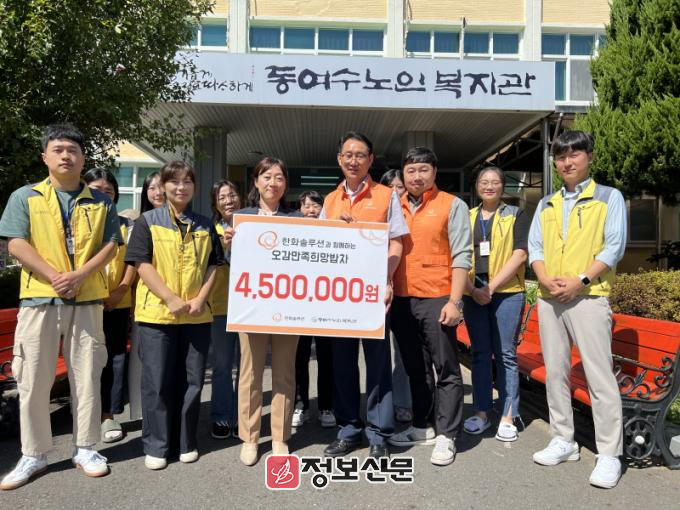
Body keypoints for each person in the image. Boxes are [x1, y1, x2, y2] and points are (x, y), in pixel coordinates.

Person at [0, 124, 122, 489]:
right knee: (32, 376)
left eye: (73, 150)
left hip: (86, 298)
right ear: (45, 157)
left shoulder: (101, 201)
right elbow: (15, 243)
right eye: (58, 150)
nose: (66, 155)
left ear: (83, 158)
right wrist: (55, 276)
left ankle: (85, 448)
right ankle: (33, 453)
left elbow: (110, 245)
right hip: (40, 297)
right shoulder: (25, 196)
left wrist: (80, 275)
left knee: (87, 374)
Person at [528, 130, 627, 489]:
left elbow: (614, 247)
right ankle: (563, 439)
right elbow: (535, 247)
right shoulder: (547, 203)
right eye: (560, 156)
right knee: (556, 372)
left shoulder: (608, 197)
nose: (566, 162)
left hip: (589, 296)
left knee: (599, 377)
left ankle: (609, 453)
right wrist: (544, 278)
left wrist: (580, 280)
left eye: (574, 155)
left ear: (589, 157)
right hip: (550, 297)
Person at [125, 161, 223, 470]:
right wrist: (170, 298)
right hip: (157, 315)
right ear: (164, 186)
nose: (181, 187)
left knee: (192, 381)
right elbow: (141, 263)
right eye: (174, 182)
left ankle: (186, 442)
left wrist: (200, 298)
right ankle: (157, 444)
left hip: (196, 315)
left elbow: (214, 264)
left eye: (187, 182)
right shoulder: (147, 222)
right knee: (157, 381)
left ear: (194, 187)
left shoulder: (205, 225)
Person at [321, 132, 408, 459]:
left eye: (360, 155)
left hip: (373, 294)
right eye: (348, 154)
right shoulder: (330, 201)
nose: (353, 160)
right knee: (342, 364)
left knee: (378, 364)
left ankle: (379, 433)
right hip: (339, 296)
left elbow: (396, 242)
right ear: (339, 159)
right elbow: (319, 243)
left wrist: (387, 279)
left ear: (370, 160)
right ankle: (348, 429)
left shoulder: (387, 196)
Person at [388, 147, 471, 466]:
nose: (417, 176)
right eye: (410, 171)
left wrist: (455, 301)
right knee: (415, 368)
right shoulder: (393, 205)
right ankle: (422, 426)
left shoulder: (452, 204)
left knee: (446, 368)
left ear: (434, 172)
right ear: (403, 174)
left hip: (438, 298)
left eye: (423, 169)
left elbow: (462, 255)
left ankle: (447, 434)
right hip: (402, 299)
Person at [234, 157, 301, 466]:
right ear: (256, 182)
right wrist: (229, 245)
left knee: (284, 373)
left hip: (288, 308)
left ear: (285, 184)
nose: (273, 183)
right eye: (267, 176)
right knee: (250, 374)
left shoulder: (297, 219)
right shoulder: (242, 218)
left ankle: (279, 437)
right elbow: (229, 263)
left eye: (279, 177)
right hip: (251, 307)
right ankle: (249, 437)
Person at [462, 166, 529, 442]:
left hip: (507, 292)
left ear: (503, 187)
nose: (489, 186)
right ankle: (481, 412)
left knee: (505, 353)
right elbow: (456, 256)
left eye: (495, 182)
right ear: (477, 186)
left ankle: (508, 416)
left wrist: (490, 288)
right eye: (484, 181)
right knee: (479, 353)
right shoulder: (466, 216)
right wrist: (472, 289)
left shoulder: (516, 214)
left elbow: (520, 254)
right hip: (472, 293)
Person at [83, 168, 137, 444]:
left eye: (109, 191)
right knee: (85, 359)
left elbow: (133, 261)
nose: (103, 194)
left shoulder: (127, 225)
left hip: (117, 301)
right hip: (83, 302)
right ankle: (85, 415)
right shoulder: (78, 220)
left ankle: (108, 415)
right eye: (96, 189)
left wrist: (121, 290)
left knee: (115, 358)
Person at [292, 190, 336, 429]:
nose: (311, 210)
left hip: (326, 306)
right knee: (299, 358)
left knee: (326, 358)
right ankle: (300, 405)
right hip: (298, 306)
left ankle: (326, 406)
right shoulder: (292, 232)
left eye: (315, 205)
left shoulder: (332, 232)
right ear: (299, 209)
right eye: (306, 205)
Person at [128, 170, 165, 421]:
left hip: (176, 303)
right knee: (143, 361)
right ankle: (143, 413)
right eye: (151, 188)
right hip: (145, 302)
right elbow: (133, 267)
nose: (157, 192)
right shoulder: (140, 224)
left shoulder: (184, 222)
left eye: (161, 186)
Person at [379, 169, 413, 424]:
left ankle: (403, 401)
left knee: (403, 352)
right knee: (379, 353)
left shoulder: (413, 213)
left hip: (407, 289)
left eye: (399, 187)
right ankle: (383, 403)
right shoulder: (379, 212)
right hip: (380, 290)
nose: (395, 192)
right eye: (389, 187)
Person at [209, 180, 241, 439]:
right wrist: (226, 247)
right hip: (220, 307)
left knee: (247, 367)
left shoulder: (253, 226)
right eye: (222, 197)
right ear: (215, 204)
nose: (228, 200)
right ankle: (221, 415)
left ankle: (242, 416)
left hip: (250, 307)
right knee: (222, 365)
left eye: (232, 195)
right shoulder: (210, 230)